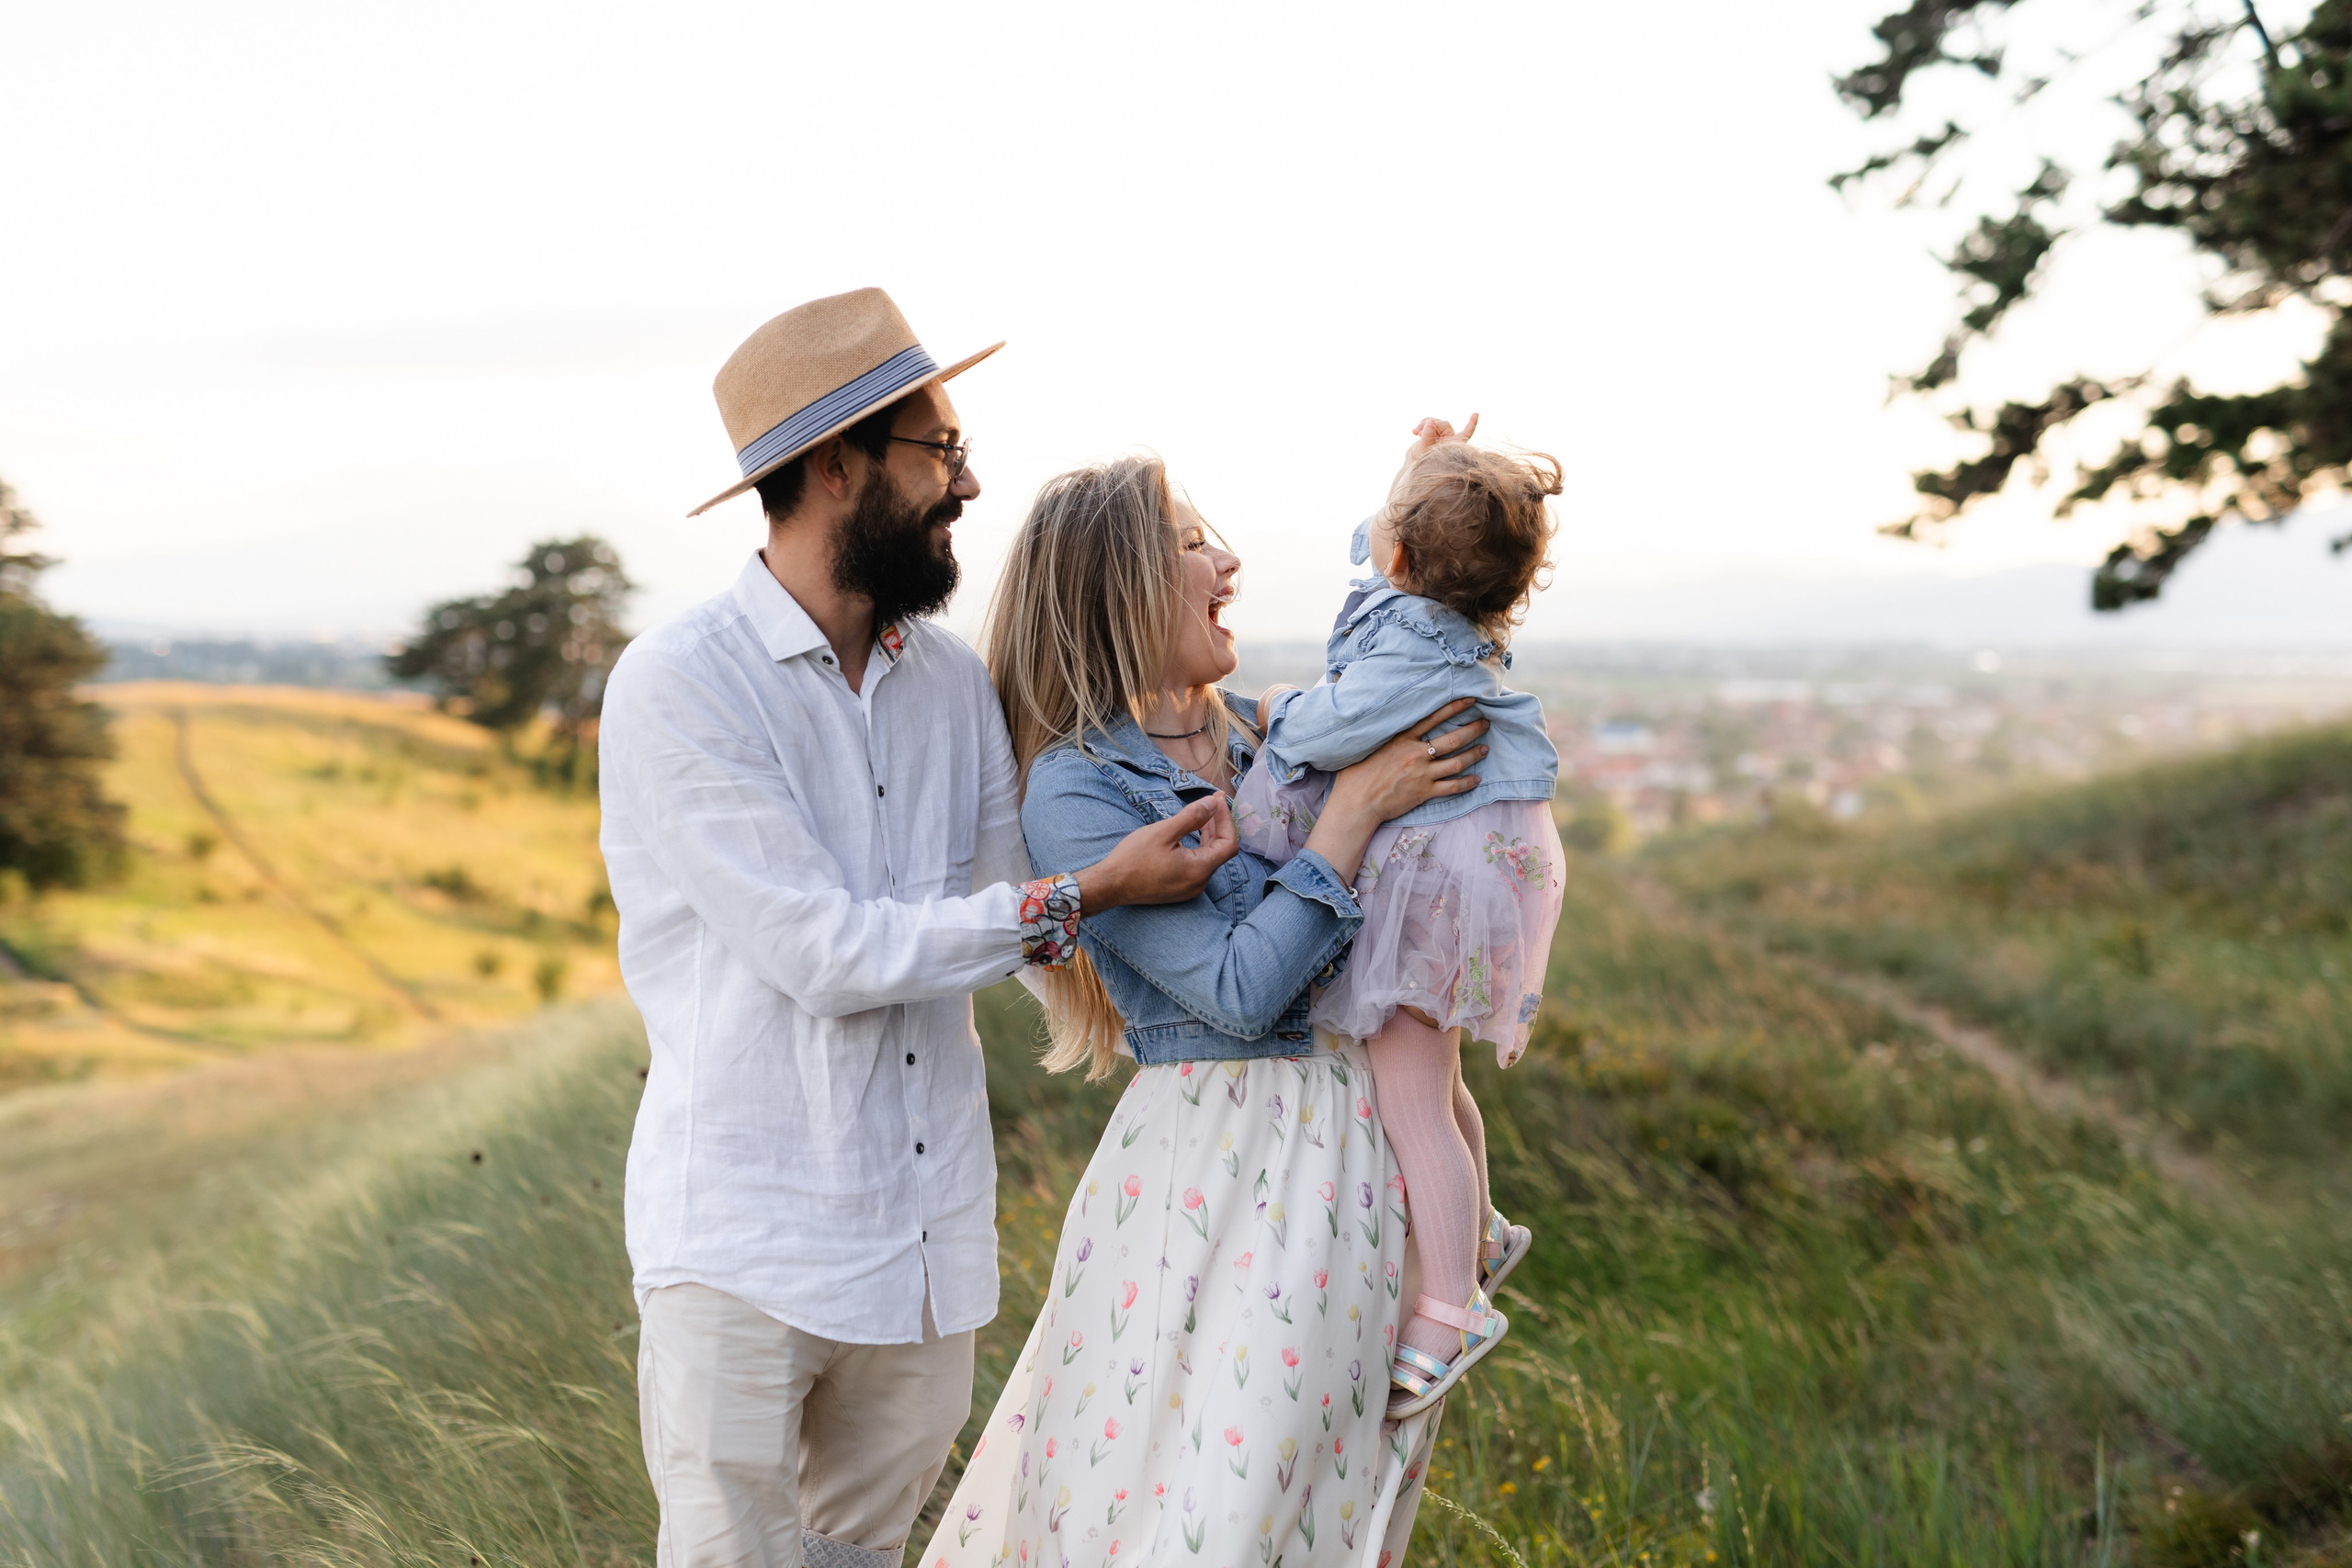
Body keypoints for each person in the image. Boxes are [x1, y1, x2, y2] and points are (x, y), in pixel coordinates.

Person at [600, 290, 1243, 1568]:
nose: (968, 480)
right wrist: (1087, 896)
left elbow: (1020, 903)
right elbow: (822, 953)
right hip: (741, 1239)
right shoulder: (682, 683)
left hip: (923, 1243)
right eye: (938, 450)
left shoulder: (950, 681)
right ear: (837, 465)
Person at [920, 455, 1488, 1568]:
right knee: (1196, 1517)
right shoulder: (1080, 787)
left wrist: (1427, 482)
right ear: (1116, 586)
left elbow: (1413, 627)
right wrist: (1356, 815)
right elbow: (1236, 993)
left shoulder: (1273, 736)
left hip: (1361, 1155)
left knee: (1327, 1512)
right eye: (1191, 544)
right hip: (1223, 1172)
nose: (1228, 561)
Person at [1236, 416, 1565, 1415]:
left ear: (1404, 555)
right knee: (1432, 1064)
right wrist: (1414, 471)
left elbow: (1330, 728)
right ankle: (1479, 1234)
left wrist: (1270, 708)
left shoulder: (1412, 652)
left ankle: (1450, 1305)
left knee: (1409, 1095)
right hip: (1468, 866)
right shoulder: (1434, 618)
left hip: (1441, 879)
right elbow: (1385, 558)